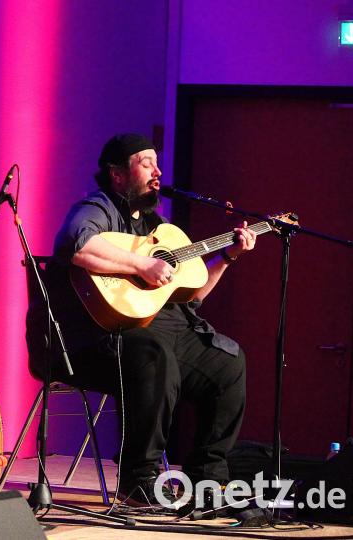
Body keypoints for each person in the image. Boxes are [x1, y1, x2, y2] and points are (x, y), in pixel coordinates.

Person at [26, 133, 256, 509]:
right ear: (117, 174)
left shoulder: (158, 227)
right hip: (103, 338)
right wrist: (142, 265)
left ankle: (208, 480)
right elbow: (74, 242)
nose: (158, 171)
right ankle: (139, 479)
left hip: (166, 329)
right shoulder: (98, 207)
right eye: (146, 163)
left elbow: (193, 294)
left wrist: (227, 257)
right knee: (152, 355)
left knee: (228, 363)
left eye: (156, 163)